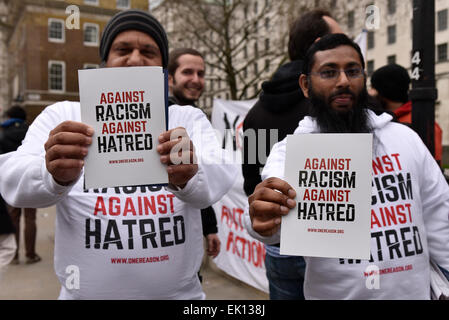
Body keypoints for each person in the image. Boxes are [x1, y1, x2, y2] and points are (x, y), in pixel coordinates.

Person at [0, 10, 237, 300]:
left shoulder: (186, 118)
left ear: (163, 69)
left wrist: (191, 175)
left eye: (148, 52)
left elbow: (220, 173)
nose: (135, 59)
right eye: (123, 50)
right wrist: (50, 174)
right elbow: (12, 181)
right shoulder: (64, 115)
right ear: (104, 63)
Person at [244, 33, 449, 299]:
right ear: (306, 85)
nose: (343, 81)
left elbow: (439, 218)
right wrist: (261, 220)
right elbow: (274, 227)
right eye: (329, 72)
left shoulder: (404, 138)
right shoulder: (289, 154)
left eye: (352, 71)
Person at [241, 9, 342, 300]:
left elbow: (251, 182)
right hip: (325, 246)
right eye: (339, 38)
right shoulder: (332, 105)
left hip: (277, 247)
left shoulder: (255, 112)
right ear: (322, 43)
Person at [167, 48, 220, 260]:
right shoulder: (163, 117)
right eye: (188, 72)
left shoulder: (198, 119)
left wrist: (210, 228)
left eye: (201, 73)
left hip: (190, 233)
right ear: (170, 78)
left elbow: (200, 178)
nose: (196, 80)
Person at [369, 63, 443, 167]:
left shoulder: (418, 122)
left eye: (373, 88)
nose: (370, 92)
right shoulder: (385, 119)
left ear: (381, 92)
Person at [0, 106, 40, 265]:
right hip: (30, 181)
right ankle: (31, 254)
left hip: (11, 182)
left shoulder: (3, 134)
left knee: (13, 218)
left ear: (10, 117)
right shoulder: (31, 133)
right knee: (30, 218)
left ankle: (14, 256)